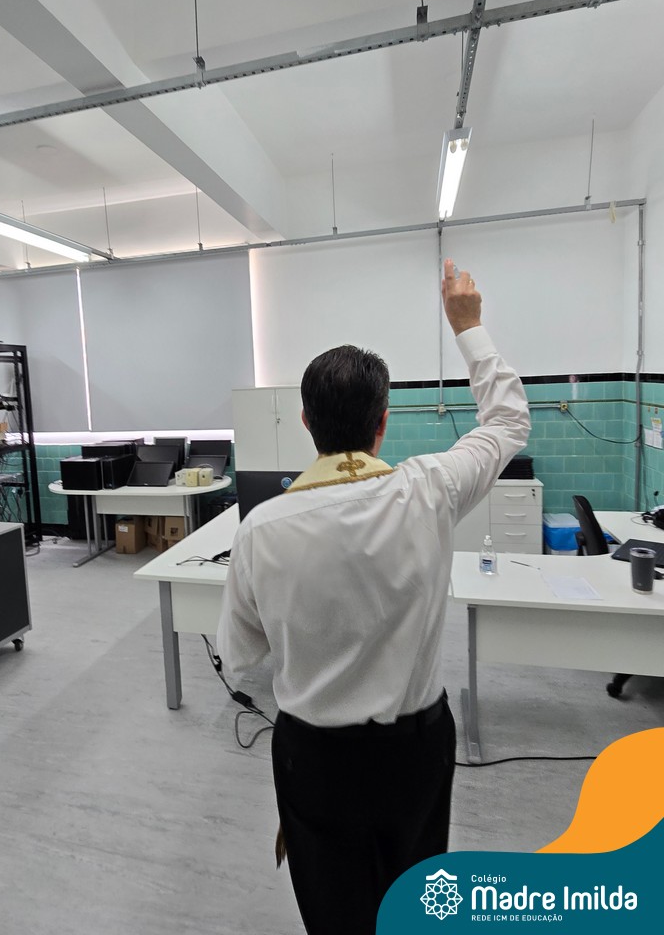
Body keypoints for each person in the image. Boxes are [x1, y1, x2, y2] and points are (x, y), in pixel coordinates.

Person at [216, 258, 531, 934]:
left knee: (334, 912)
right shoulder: (431, 489)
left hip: (314, 759)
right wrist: (467, 325)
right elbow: (508, 421)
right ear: (383, 422)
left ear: (306, 421)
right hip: (415, 752)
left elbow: (239, 659)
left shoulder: (260, 530)